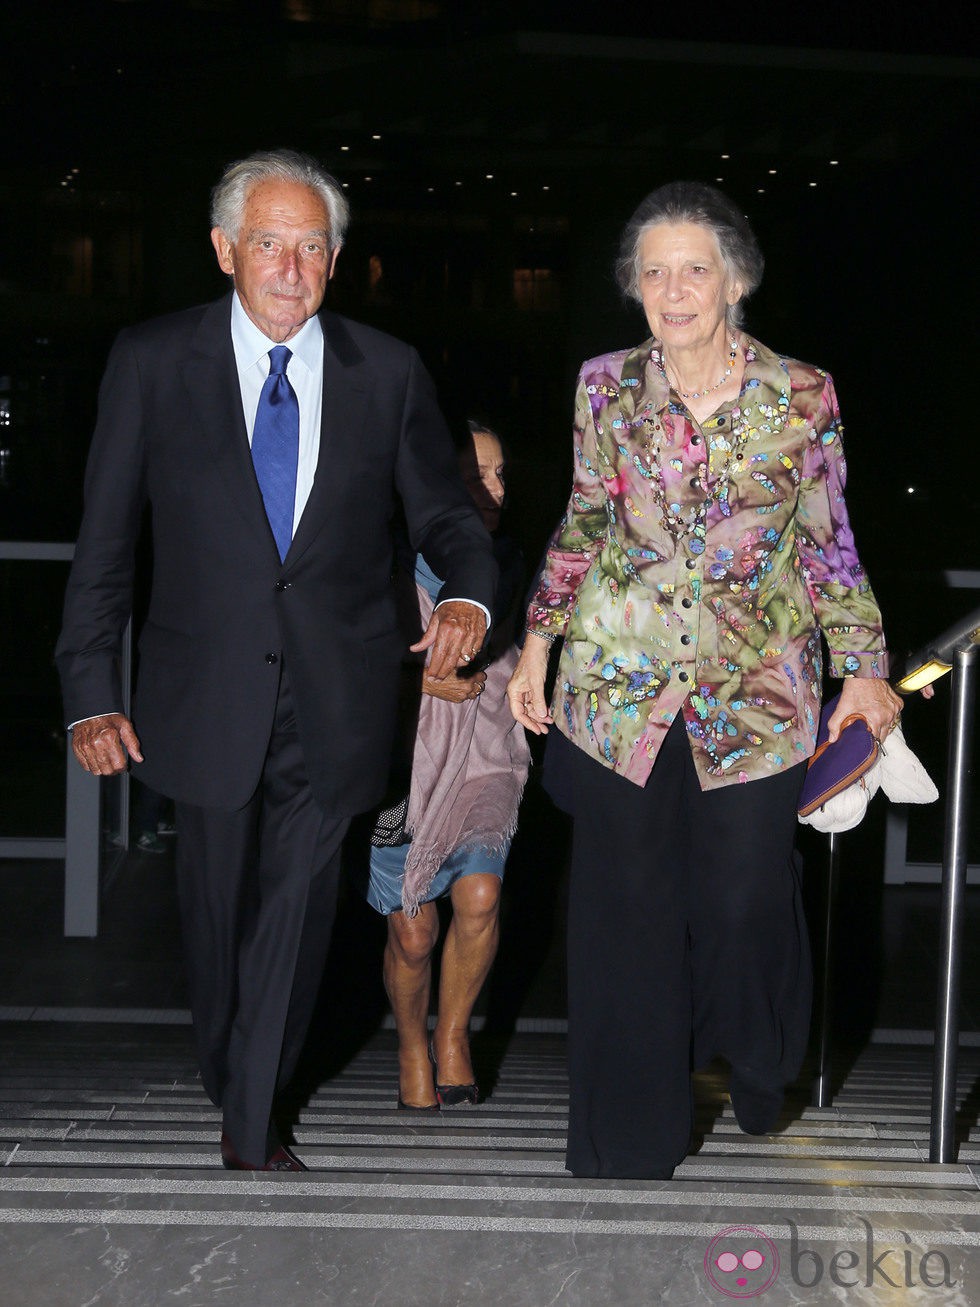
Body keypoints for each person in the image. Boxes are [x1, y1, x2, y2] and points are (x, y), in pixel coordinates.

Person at [56, 150, 496, 1172]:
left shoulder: (384, 372)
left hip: (337, 692)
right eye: (268, 243)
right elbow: (106, 544)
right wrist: (88, 691)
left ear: (335, 260)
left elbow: (442, 511)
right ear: (224, 250)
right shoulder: (153, 361)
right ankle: (233, 1074)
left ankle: (251, 1126)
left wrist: (469, 593)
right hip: (199, 693)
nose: (289, 267)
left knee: (297, 912)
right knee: (217, 926)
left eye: (310, 246)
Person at [506, 181, 904, 1181]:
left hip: (756, 691)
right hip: (619, 687)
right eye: (653, 270)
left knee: (741, 900)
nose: (672, 288)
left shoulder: (800, 394)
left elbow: (826, 543)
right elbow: (585, 521)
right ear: (632, 287)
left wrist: (862, 670)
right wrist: (537, 642)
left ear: (733, 278)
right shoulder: (603, 385)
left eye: (693, 268)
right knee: (624, 914)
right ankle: (623, 1144)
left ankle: (763, 1051)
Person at [365, 422, 530, 1110]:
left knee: (482, 897)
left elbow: (537, 643)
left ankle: (454, 1033)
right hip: (403, 762)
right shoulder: (384, 561)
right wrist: (425, 683)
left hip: (488, 750)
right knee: (412, 930)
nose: (492, 490)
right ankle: (410, 1040)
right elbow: (343, 660)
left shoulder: (513, 560)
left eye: (499, 475)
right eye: (474, 475)